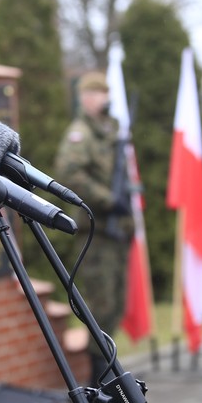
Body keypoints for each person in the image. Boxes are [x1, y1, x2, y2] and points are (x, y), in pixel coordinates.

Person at [53, 71, 133, 386]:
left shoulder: (109, 131)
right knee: (99, 307)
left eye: (101, 94)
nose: (98, 99)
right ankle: (98, 380)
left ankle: (107, 369)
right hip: (96, 233)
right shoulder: (81, 133)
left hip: (115, 232)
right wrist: (108, 200)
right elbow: (69, 173)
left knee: (115, 304)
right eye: (92, 94)